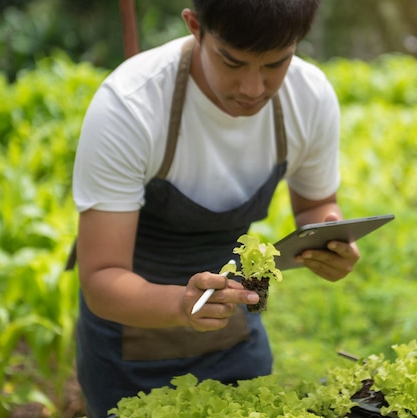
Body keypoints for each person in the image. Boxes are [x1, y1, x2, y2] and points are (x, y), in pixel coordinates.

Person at [71, 0, 360, 416]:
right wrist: (181, 306)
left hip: (231, 331)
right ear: (195, 26)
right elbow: (101, 278)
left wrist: (330, 235)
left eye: (275, 64)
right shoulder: (130, 106)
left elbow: (317, 204)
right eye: (232, 62)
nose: (253, 88)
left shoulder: (309, 98)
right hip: (130, 345)